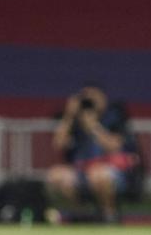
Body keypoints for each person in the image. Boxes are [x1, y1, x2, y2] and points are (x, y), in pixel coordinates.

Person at [46, 85, 139, 223]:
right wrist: (69, 115)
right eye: (85, 98)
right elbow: (58, 144)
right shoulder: (74, 120)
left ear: (103, 99)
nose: (89, 102)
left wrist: (93, 127)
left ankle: (109, 214)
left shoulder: (114, 116)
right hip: (80, 170)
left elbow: (115, 146)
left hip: (110, 171)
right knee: (56, 175)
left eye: (93, 97)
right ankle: (81, 214)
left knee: (98, 174)